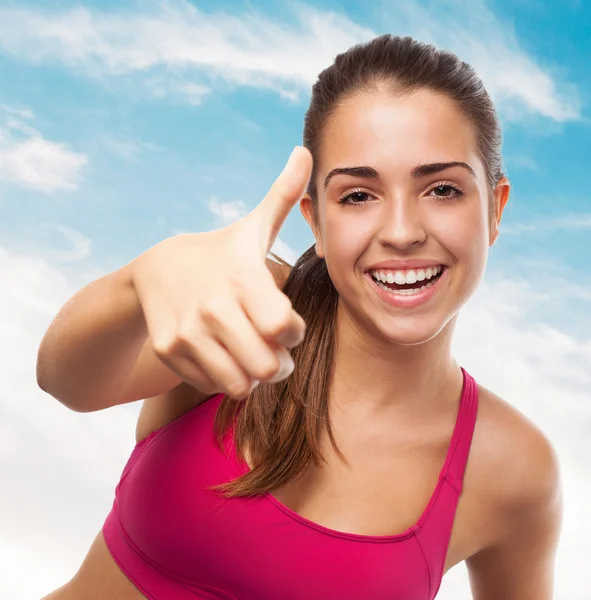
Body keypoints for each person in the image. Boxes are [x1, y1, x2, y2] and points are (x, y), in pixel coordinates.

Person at [38, 35, 562, 600]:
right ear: (315, 219)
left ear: (494, 209)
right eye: (359, 195)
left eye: (442, 189)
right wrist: (144, 277)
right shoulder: (251, 308)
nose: (403, 232)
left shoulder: (513, 470)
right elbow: (65, 381)